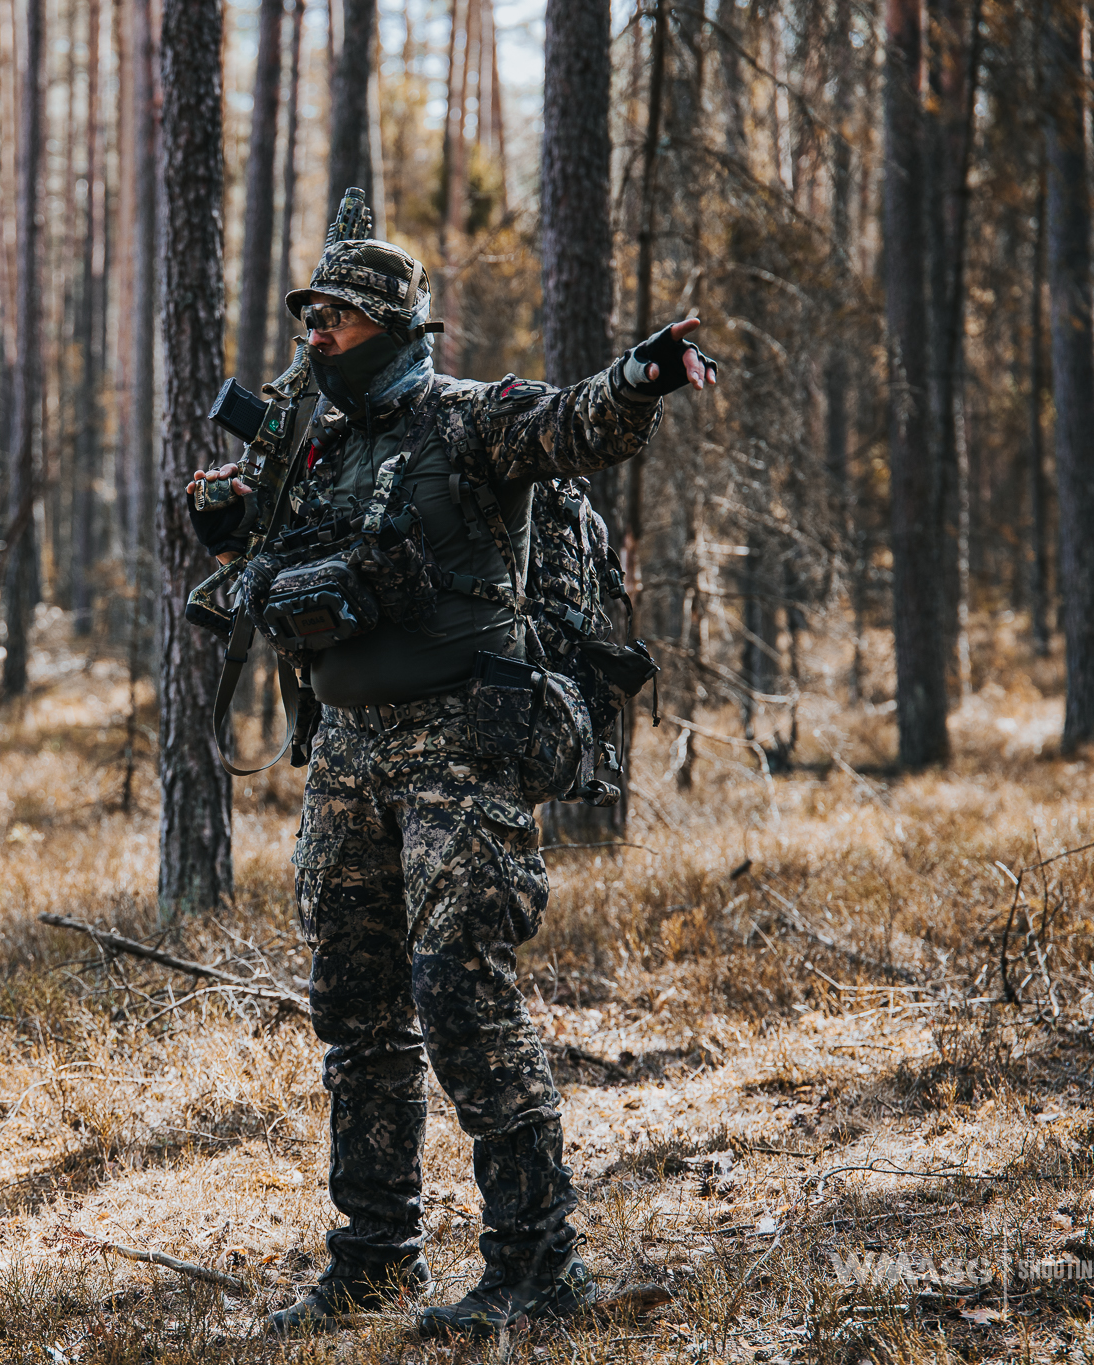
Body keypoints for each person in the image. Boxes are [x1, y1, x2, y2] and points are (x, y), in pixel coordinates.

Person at [187, 230, 716, 1341]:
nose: (314, 335)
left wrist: (642, 373)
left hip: (459, 749)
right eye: (308, 320)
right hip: (346, 759)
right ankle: (373, 1258)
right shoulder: (316, 446)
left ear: (390, 324)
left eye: (333, 317)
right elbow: (255, 543)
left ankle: (537, 1265)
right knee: (357, 1012)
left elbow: (577, 422)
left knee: (460, 997)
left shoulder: (469, 418)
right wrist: (225, 515)